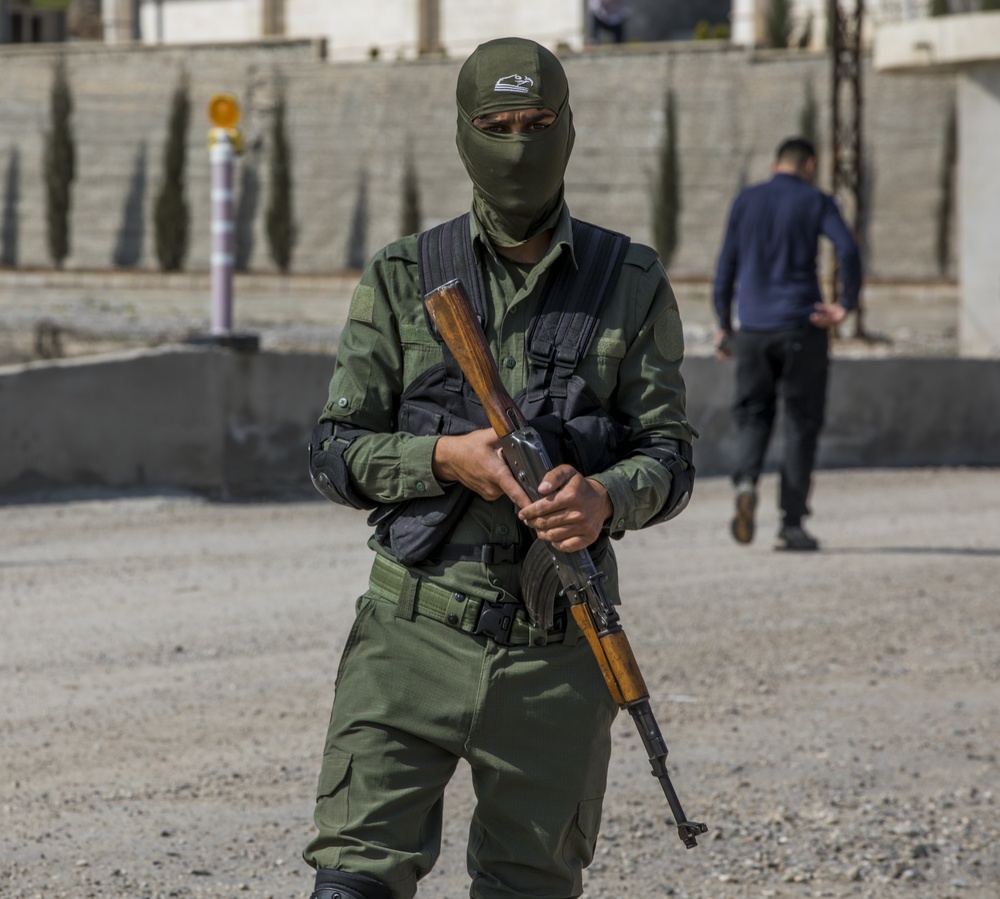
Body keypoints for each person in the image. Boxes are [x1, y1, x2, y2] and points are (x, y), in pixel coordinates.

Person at [302, 36, 696, 899]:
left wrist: (604, 498)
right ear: (464, 134)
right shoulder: (405, 277)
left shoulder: (626, 280)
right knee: (352, 884)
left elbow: (669, 454)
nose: (519, 143)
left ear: (568, 130)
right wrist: (447, 458)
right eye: (498, 124)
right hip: (411, 633)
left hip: (558, 651)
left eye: (538, 122)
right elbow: (332, 454)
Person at [712, 136, 861, 552]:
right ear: (809, 165)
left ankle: (745, 481)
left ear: (777, 163)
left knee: (753, 414)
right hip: (801, 327)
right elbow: (848, 249)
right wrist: (843, 305)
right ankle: (791, 524)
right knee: (800, 423)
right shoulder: (816, 201)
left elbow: (726, 266)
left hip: (754, 330)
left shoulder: (746, 200)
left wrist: (725, 325)